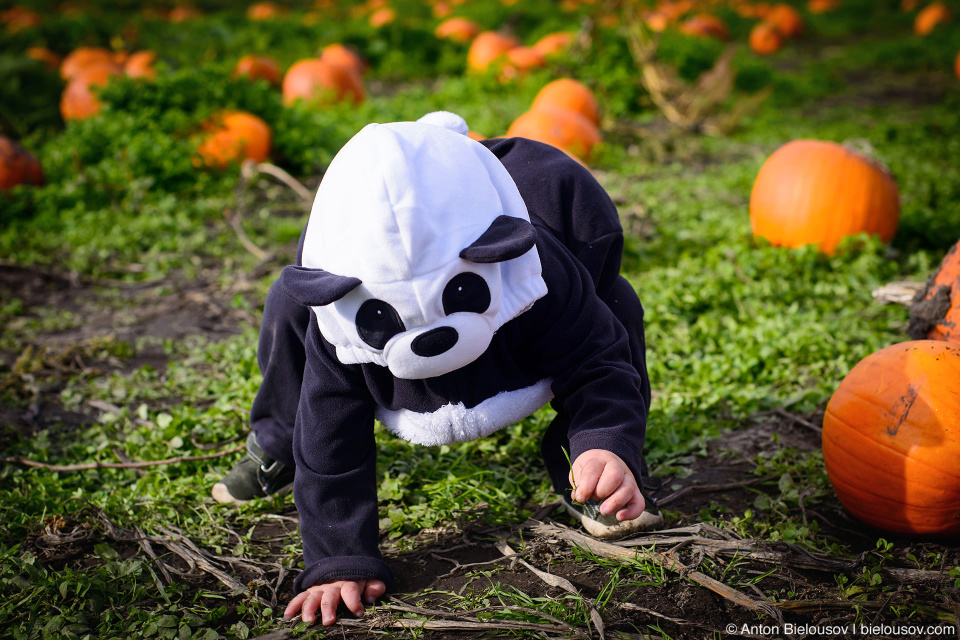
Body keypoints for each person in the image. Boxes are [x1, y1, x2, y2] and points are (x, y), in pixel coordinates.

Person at [211, 112, 662, 626]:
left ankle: (588, 470)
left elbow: (597, 361)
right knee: (288, 317)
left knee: (615, 308)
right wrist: (337, 555)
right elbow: (330, 438)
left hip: (515, 345)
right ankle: (274, 441)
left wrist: (605, 437)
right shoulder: (337, 321)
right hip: (381, 364)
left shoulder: (539, 272)